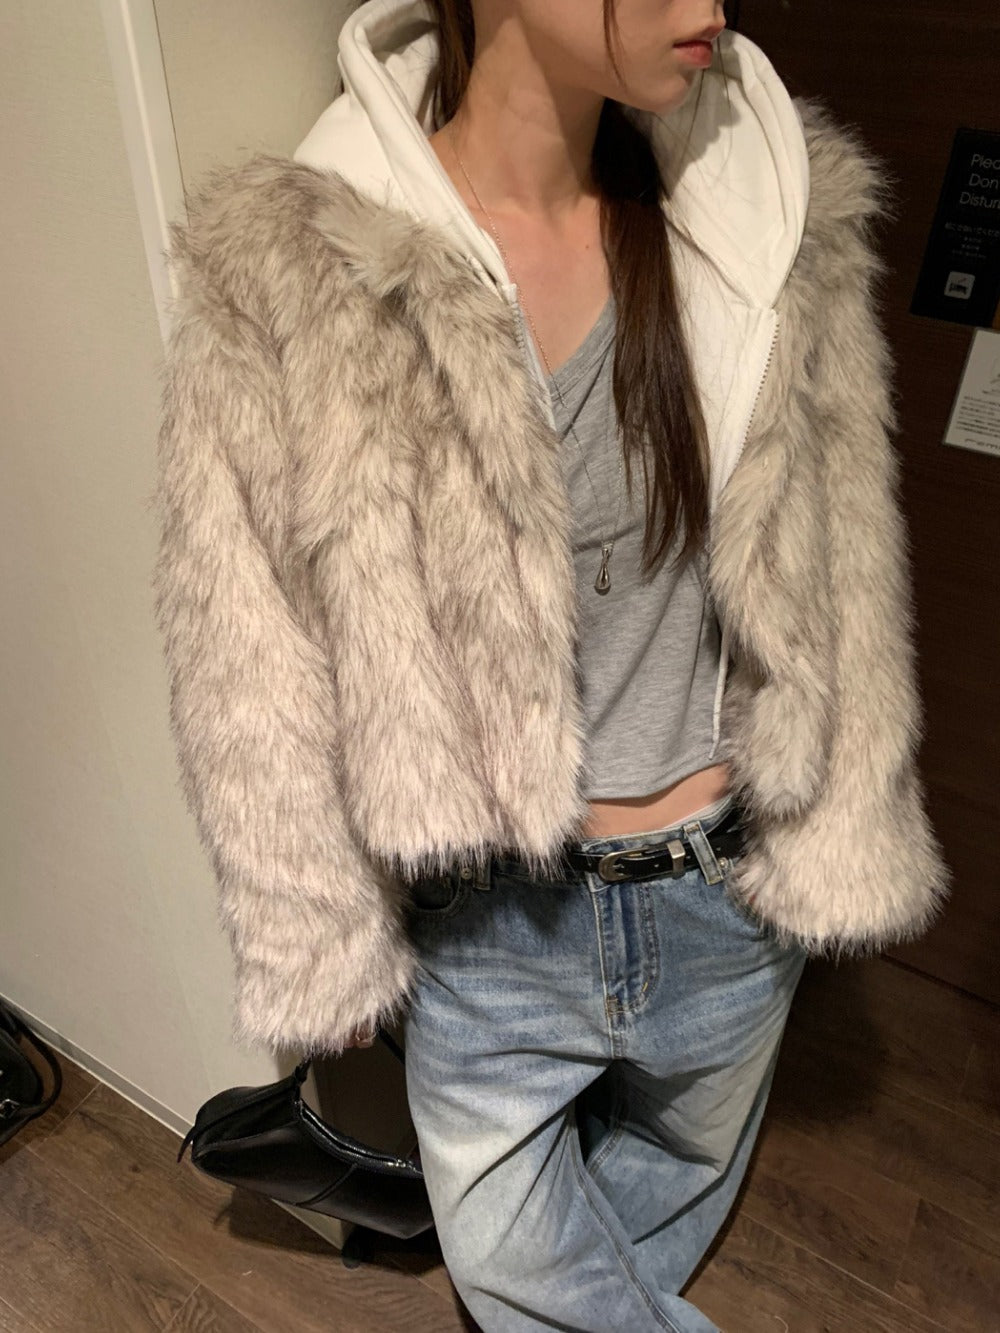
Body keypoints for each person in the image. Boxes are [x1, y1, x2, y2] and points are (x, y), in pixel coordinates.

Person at [152, 0, 950, 1328]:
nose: (712, 8)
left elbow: (847, 555)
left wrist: (846, 818)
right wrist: (312, 925)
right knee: (507, 1267)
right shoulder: (298, 266)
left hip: (728, 900)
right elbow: (245, 637)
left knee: (658, 1200)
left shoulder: (762, 220)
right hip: (498, 921)